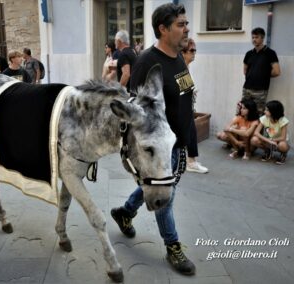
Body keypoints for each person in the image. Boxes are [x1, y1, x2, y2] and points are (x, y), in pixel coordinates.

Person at [110, 3, 195, 275]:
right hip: (159, 147)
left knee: (161, 190)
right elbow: (136, 111)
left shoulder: (179, 58)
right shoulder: (147, 62)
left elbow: (185, 99)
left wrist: (188, 143)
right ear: (163, 28)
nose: (186, 28)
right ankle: (173, 246)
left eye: (186, 23)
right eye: (181, 24)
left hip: (177, 142)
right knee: (164, 196)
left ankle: (125, 212)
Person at [181, 38, 208, 173]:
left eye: (195, 50)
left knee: (190, 132)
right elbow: (184, 91)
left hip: (184, 107)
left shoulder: (185, 66)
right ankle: (191, 162)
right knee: (191, 132)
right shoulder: (181, 67)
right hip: (181, 108)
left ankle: (190, 161)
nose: (194, 53)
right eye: (192, 50)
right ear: (183, 52)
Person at [242, 27, 280, 114]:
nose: (254, 39)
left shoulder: (270, 53)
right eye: (253, 37)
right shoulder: (249, 54)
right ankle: (245, 128)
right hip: (247, 88)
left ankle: (257, 128)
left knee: (258, 113)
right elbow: (245, 71)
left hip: (261, 90)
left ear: (262, 38)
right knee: (244, 112)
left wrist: (263, 74)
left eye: (256, 37)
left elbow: (277, 71)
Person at [251, 100, 289, 165]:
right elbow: (256, 133)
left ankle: (283, 154)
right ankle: (268, 151)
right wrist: (269, 140)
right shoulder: (264, 118)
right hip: (268, 140)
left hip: (279, 141)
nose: (264, 111)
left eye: (267, 110)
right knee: (254, 140)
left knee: (283, 145)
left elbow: (283, 137)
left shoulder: (282, 120)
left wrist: (272, 140)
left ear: (274, 111)